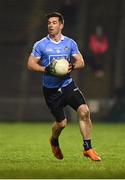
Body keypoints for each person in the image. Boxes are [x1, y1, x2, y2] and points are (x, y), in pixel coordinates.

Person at [27, 12, 101, 161]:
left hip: (67, 85)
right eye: (49, 23)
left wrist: (72, 66)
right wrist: (46, 69)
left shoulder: (70, 43)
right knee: (62, 124)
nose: (51, 25)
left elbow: (81, 62)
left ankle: (88, 148)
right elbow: (30, 64)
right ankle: (54, 140)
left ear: (61, 25)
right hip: (51, 90)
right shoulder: (41, 44)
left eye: (54, 22)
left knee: (84, 111)